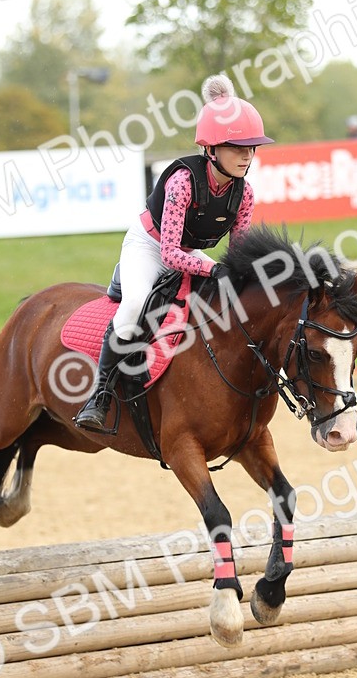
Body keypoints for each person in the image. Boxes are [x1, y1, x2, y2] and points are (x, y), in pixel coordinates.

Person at [73, 74, 273, 431]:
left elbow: (237, 255)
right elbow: (169, 255)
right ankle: (99, 396)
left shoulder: (244, 194)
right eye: (236, 147)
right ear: (211, 149)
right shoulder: (183, 182)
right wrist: (213, 271)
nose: (247, 156)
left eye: (251, 147)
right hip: (149, 246)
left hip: (189, 251)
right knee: (134, 305)